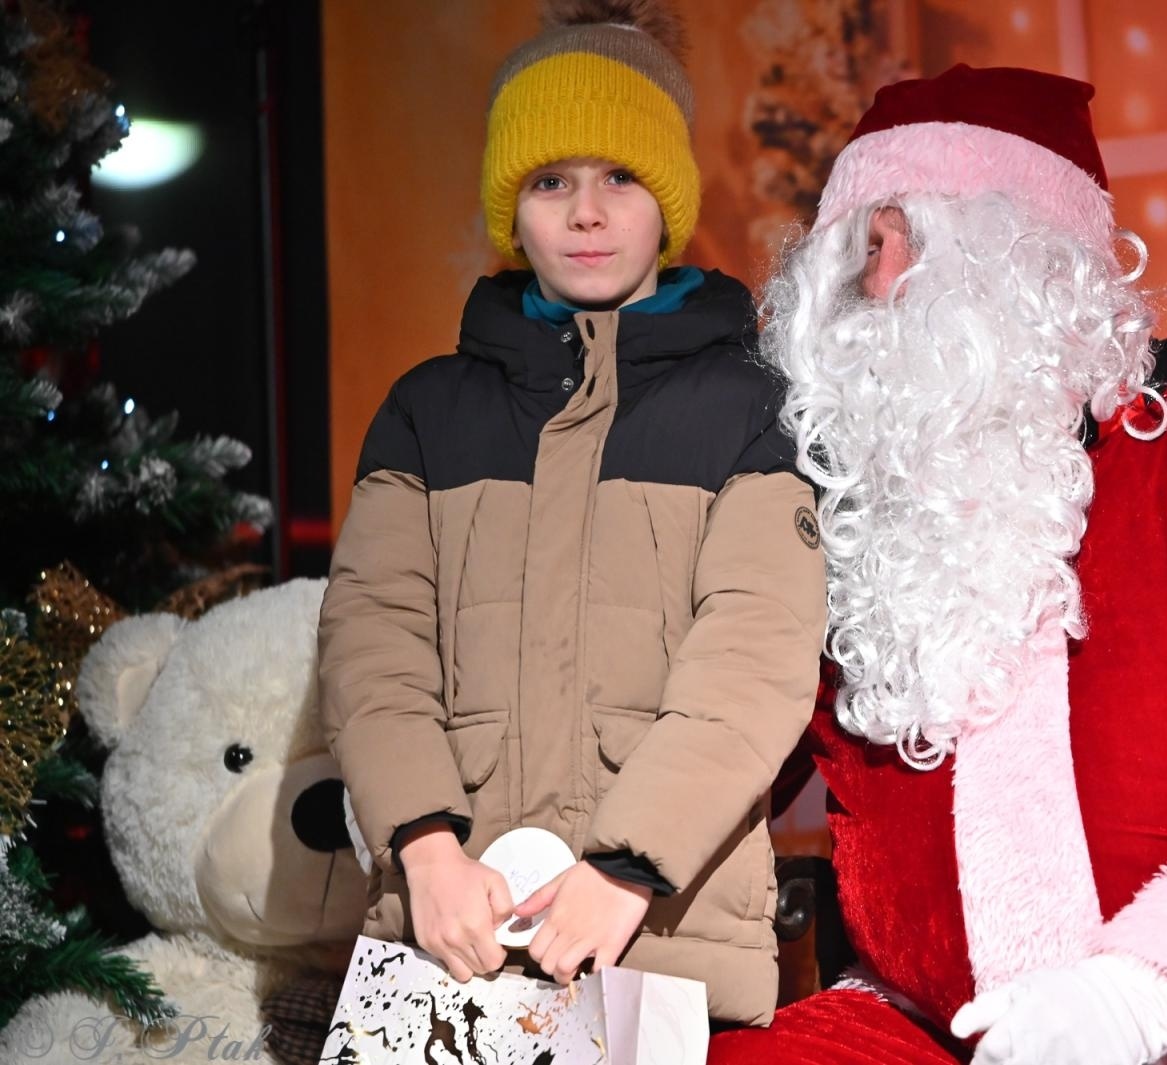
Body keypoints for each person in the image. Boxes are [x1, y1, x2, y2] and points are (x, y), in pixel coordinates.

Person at [711, 64, 1167, 1063]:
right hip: (941, 1025)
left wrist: (1143, 985)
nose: (871, 288)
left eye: (897, 239)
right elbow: (737, 732)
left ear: (1020, 252)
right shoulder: (853, 517)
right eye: (853, 251)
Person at [318, 0, 826, 1027]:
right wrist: (422, 845)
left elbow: (755, 660)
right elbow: (374, 645)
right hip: (451, 937)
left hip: (661, 940)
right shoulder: (427, 412)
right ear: (513, 204)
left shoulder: (750, 410)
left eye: (620, 178)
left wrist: (629, 866)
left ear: (667, 197)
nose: (585, 214)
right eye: (551, 181)